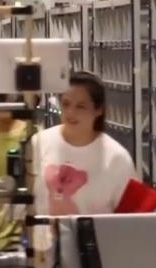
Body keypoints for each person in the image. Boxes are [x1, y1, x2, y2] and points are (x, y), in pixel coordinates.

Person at [33, 71, 136, 216]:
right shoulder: (39, 143)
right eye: (66, 104)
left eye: (80, 106)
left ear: (99, 109)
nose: (71, 112)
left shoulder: (117, 157)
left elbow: (132, 218)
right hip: (43, 231)